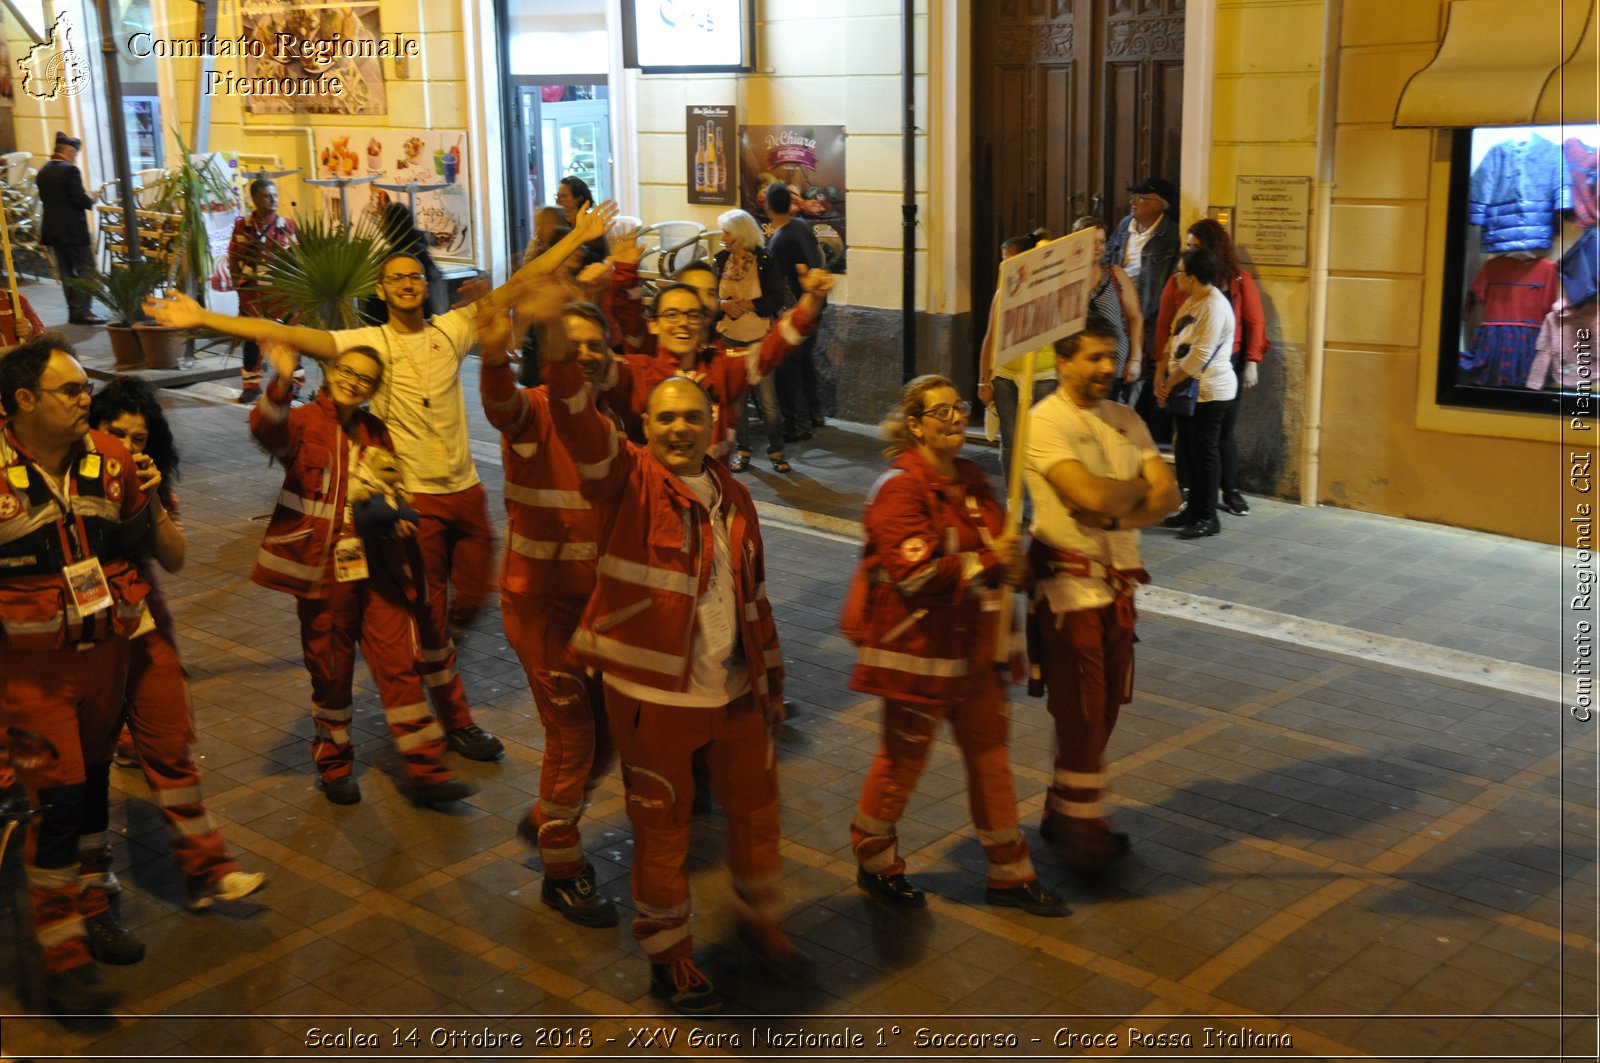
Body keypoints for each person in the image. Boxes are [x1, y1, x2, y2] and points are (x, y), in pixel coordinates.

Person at [143, 209, 620, 760]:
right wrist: (205, 316)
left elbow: (515, 288)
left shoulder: (453, 328)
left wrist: (579, 239)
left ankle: (432, 658)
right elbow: (283, 332)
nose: (408, 285)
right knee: (435, 614)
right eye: (396, 279)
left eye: (415, 276)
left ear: (425, 283)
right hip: (414, 499)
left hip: (465, 489)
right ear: (382, 289)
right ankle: (454, 716)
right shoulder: (365, 342)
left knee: (471, 595)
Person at [545, 341, 793, 1016]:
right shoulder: (624, 479)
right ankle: (670, 957)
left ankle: (759, 920)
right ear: (644, 427)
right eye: (664, 419)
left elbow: (752, 596)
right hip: (656, 699)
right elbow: (576, 423)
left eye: (691, 416)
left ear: (715, 421)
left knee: (757, 812)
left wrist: (770, 680)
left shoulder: (735, 495)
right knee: (664, 831)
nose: (679, 428)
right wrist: (558, 353)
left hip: (734, 689)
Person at [848, 374, 1069, 918]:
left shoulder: (973, 479)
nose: (953, 418)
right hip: (917, 656)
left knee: (991, 762)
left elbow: (993, 553)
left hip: (976, 655)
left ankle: (1009, 874)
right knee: (900, 765)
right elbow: (915, 571)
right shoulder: (899, 488)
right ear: (915, 424)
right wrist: (992, 560)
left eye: (958, 407)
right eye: (940, 411)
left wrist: (1017, 562)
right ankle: (875, 861)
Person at [248, 341, 474, 808]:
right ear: (331, 372)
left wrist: (401, 515)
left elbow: (391, 487)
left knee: (398, 665)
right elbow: (267, 431)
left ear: (374, 388)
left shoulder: (376, 430)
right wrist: (282, 380)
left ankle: (427, 769)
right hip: (322, 571)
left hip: (379, 567)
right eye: (347, 372)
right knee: (330, 672)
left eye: (365, 378)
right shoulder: (306, 421)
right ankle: (334, 764)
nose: (354, 382)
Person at [0, 334, 153, 1013]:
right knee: (55, 805)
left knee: (93, 794)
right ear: (24, 400)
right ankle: (60, 953)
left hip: (105, 661)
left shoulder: (110, 457)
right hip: (31, 676)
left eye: (83, 386)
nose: (85, 398)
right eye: (70, 391)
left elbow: (137, 539)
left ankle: (93, 908)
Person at [89, 378, 267, 909]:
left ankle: (208, 870)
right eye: (114, 432)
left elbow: (174, 556)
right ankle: (90, 878)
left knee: (170, 745)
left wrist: (151, 500)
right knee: (83, 765)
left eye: (138, 437)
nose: (127, 445)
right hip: (76, 632)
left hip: (140, 613)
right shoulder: (61, 474)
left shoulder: (149, 477)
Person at [479, 291, 620, 928]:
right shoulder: (534, 411)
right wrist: (490, 351)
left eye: (595, 345)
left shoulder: (608, 420)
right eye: (572, 345)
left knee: (608, 736)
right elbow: (500, 404)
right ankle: (562, 872)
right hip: (541, 608)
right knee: (573, 739)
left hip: (596, 611)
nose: (583, 355)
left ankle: (546, 818)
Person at [1023, 318, 1181, 871]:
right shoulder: (1043, 422)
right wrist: (1130, 492)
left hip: (1117, 582)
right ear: (1063, 363)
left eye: (1112, 357)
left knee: (1107, 706)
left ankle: (1064, 809)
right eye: (1094, 357)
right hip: (1069, 587)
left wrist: (1113, 509)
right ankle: (1083, 829)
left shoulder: (1126, 418)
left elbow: (1170, 496)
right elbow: (1089, 491)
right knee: (1083, 710)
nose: (1108, 368)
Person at [1152, 218, 1268, 517]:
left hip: (1220, 364)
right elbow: (1167, 327)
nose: (1188, 252)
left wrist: (1252, 361)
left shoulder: (1233, 284)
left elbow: (1254, 322)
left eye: (1195, 247)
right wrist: (1161, 368)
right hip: (1188, 368)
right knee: (1189, 437)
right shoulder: (1185, 290)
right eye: (1188, 246)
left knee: (1217, 437)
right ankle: (1193, 498)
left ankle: (1226, 494)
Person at [1155, 247, 1238, 540]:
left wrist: (1169, 383)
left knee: (1205, 455)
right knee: (1189, 452)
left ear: (1191, 276)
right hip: (1187, 390)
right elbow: (1173, 336)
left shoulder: (1214, 306)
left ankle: (1208, 515)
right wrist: (1160, 374)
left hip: (1210, 392)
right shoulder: (1193, 301)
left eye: (1179, 271)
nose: (1176, 276)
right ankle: (1193, 510)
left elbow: (1199, 356)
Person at [976, 232, 1056, 490]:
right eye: (1003, 260)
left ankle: (1040, 496)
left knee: (1040, 438)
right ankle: (1014, 499)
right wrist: (983, 380)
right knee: (1010, 439)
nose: (1005, 266)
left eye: (1010, 259)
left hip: (1044, 374)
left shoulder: (1049, 290)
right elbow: (991, 336)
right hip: (1006, 374)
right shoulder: (1002, 294)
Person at [713, 208, 789, 473]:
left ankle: (776, 451)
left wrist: (747, 304)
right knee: (736, 403)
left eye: (727, 232)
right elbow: (708, 297)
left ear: (741, 234)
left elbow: (776, 298)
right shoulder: (720, 259)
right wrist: (722, 305)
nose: (723, 237)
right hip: (728, 340)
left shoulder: (765, 261)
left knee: (768, 403)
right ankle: (742, 451)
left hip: (758, 341)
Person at [1103, 178, 1180, 414]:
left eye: (1141, 198)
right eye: (1133, 196)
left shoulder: (1170, 234)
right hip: (1115, 310)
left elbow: (1171, 281)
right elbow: (1108, 260)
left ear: (1159, 205)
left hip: (1147, 315)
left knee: (1137, 374)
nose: (1133, 201)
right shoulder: (1125, 225)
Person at [764, 184, 827, 439]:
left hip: (797, 312)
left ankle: (797, 423)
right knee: (805, 363)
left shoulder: (779, 240)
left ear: (767, 206)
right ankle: (814, 414)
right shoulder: (801, 224)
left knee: (789, 368)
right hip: (815, 306)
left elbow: (775, 282)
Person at [228, 177, 298, 402]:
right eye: (268, 196)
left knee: (288, 339)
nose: (273, 199)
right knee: (251, 341)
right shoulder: (242, 226)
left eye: (275, 195)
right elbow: (233, 257)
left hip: (281, 295)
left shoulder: (286, 226)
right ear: (255, 199)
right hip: (252, 295)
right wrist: (238, 287)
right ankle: (251, 385)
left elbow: (297, 259)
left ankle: (292, 382)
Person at [1071, 216, 1145, 399]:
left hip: (1114, 367)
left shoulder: (1115, 275)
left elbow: (1135, 317)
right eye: (1093, 242)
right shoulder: (1067, 280)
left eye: (1102, 242)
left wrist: (1136, 359)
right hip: (1080, 367)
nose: (1099, 248)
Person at [36, 132, 103, 325]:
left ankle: (74, 311)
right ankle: (84, 312)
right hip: (73, 231)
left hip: (52, 230)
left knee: (66, 272)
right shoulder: (70, 171)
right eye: (75, 153)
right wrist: (91, 197)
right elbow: (78, 199)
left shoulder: (44, 170)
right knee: (86, 269)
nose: (75, 157)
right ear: (70, 152)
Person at [363, 202, 442, 323]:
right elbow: (435, 278)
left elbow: (373, 300)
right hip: (421, 316)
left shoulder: (386, 258)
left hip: (389, 321)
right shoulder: (421, 252)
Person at [555, 176, 611, 266]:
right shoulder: (559, 223)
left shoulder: (591, 223)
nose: (557, 200)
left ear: (578, 199)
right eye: (557, 196)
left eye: (563, 196)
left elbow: (595, 257)